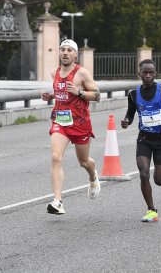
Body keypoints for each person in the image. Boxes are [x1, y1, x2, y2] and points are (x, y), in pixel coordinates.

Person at [121, 59, 161, 222]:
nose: (148, 75)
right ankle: (151, 210)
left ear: (155, 74)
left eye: (151, 73)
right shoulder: (133, 94)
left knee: (159, 180)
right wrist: (127, 120)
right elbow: (131, 113)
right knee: (143, 174)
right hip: (144, 139)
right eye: (145, 72)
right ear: (139, 74)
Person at [41, 39, 101, 215]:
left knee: (84, 162)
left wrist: (79, 92)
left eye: (69, 50)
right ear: (59, 53)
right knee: (55, 156)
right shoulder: (55, 73)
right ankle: (58, 201)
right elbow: (61, 93)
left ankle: (93, 176)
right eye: (62, 50)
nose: (65, 53)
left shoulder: (81, 73)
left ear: (75, 55)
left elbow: (97, 95)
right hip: (61, 121)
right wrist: (50, 96)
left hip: (80, 123)